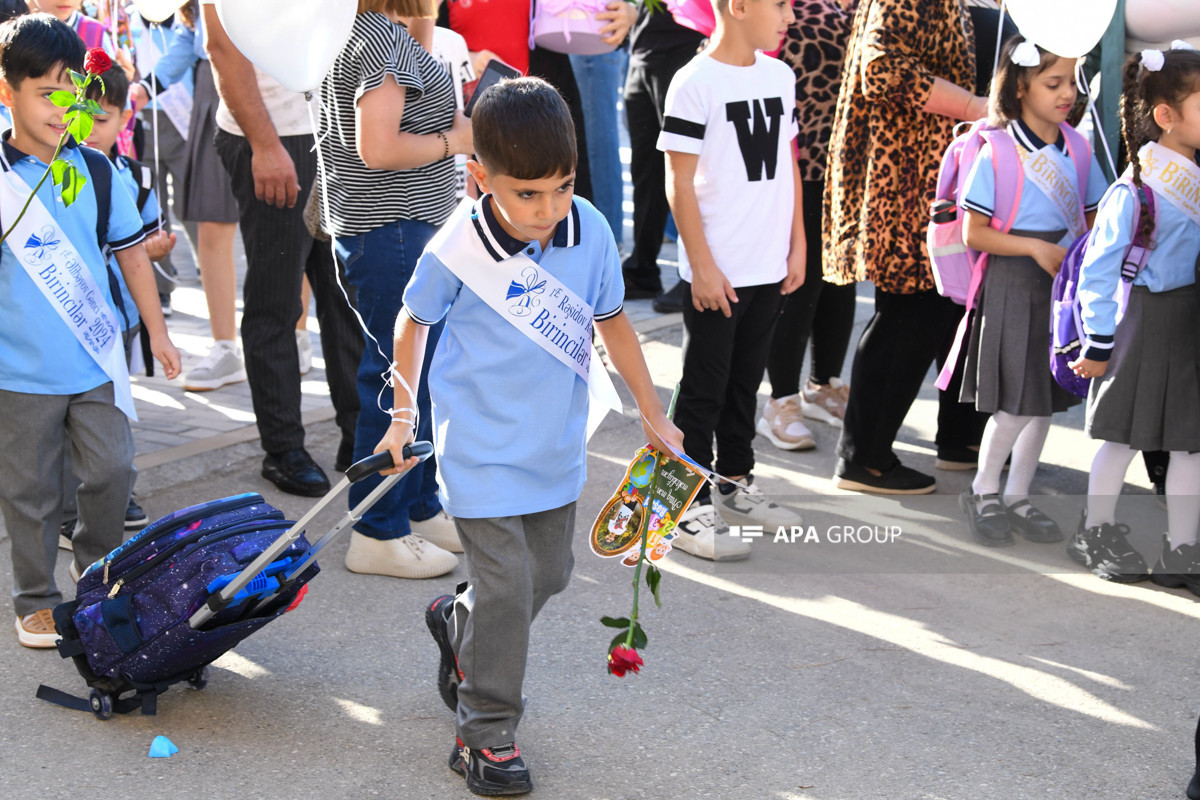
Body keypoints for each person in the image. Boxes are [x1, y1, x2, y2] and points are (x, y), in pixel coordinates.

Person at [374, 77, 682, 796]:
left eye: (563, 188)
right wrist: (401, 412)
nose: (547, 213)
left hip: (553, 446)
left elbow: (612, 325)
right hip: (477, 447)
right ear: (480, 178)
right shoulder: (459, 246)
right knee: (510, 586)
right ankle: (485, 735)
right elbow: (411, 321)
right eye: (527, 195)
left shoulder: (593, 231)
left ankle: (459, 623)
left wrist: (651, 409)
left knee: (549, 575)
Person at [0, 14, 180, 647]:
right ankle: (36, 598)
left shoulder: (98, 172)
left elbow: (132, 254)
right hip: (17, 371)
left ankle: (98, 567)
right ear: (6, 92)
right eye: (44, 93)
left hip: (94, 360)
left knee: (112, 471)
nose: (60, 107)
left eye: (70, 92)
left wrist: (157, 333)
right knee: (30, 494)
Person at [319, 0, 470, 578]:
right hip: (392, 232)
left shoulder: (380, 32)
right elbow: (378, 148)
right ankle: (376, 529)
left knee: (417, 375)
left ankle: (417, 505)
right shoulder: (378, 41)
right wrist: (456, 142)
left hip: (400, 231)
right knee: (396, 375)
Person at [657, 0, 804, 561]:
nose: (789, 15)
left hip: (769, 265)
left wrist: (798, 242)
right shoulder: (692, 83)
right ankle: (679, 505)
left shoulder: (779, 75)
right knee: (703, 390)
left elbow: (786, 163)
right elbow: (679, 180)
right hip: (717, 271)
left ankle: (735, 484)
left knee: (746, 383)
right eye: (780, 5)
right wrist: (702, 263)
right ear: (739, 7)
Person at [824, 0, 989, 495]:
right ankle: (864, 460)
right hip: (906, 182)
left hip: (936, 178)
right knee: (910, 314)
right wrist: (979, 109)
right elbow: (884, 70)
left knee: (946, 310)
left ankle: (958, 441)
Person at [201, 0, 362, 497]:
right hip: (272, 135)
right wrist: (265, 145)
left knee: (346, 295)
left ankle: (359, 436)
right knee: (277, 299)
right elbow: (223, 44)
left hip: (338, 124)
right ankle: (283, 448)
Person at [954, 37, 1107, 546]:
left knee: (1044, 399)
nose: (1068, 93)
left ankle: (1018, 494)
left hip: (1061, 285)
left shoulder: (1079, 146)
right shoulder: (996, 148)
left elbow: (1092, 215)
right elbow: (974, 233)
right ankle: (983, 490)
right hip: (1016, 279)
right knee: (1017, 400)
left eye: (1072, 81)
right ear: (1021, 85)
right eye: (1053, 82)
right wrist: (1034, 249)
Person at [1069, 45, 1200, 589]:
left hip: (1189, 318)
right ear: (1166, 117)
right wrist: (1097, 341)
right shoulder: (1135, 190)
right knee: (1121, 436)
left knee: (1191, 439)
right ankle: (1094, 528)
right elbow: (1097, 272)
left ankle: (1183, 546)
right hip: (1140, 320)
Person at [58, 61, 177, 546]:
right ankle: (68, 504)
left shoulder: (135, 177)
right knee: (58, 415)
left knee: (110, 406)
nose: (87, 128)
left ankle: (111, 490)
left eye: (102, 118)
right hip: (59, 312)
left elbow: (146, 240)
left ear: (125, 118)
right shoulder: (49, 170)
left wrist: (155, 250)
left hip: (117, 315)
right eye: (79, 113)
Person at [758, 0, 859, 451]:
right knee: (801, 284)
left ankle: (822, 385)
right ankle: (780, 401)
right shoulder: (785, 6)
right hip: (799, 163)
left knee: (840, 280)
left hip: (852, 164)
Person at [620, 6, 704, 304]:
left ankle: (694, 274)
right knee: (646, 172)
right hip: (641, 49)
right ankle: (643, 269)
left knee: (690, 171)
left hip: (685, 50)